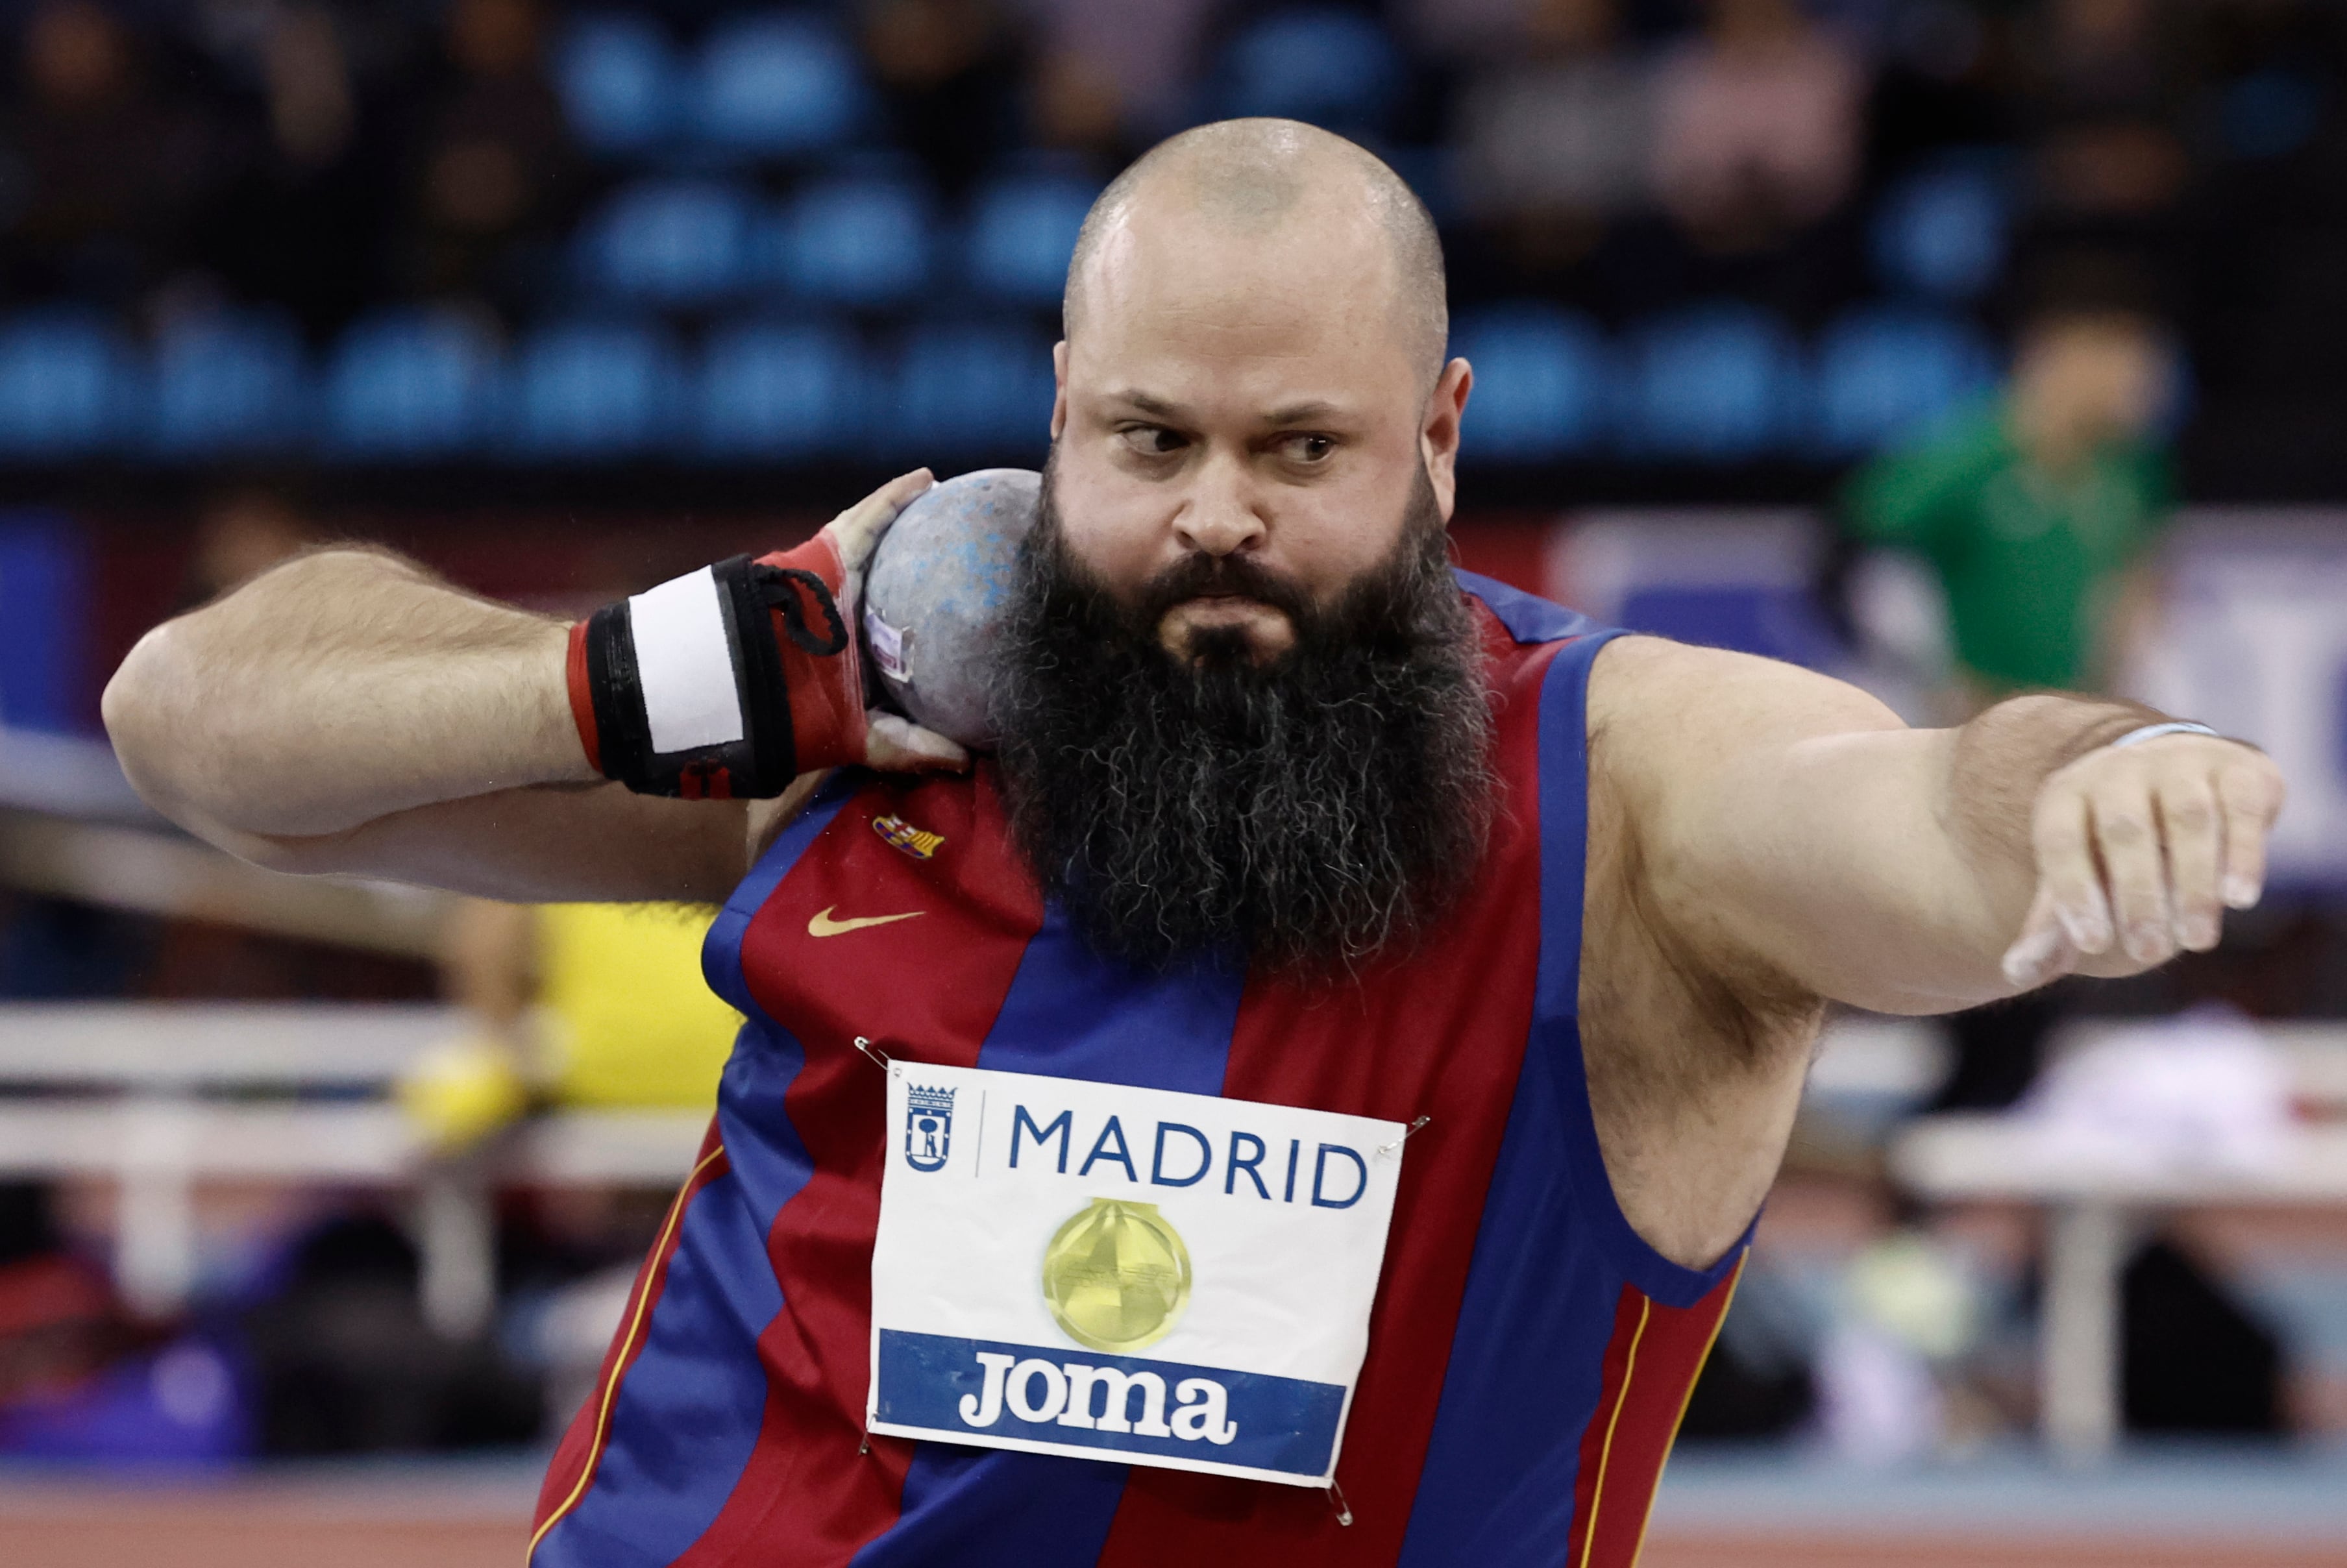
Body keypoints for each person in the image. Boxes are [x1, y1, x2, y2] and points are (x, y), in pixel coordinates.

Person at [101, 119, 2284, 1565]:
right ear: (1054, 411)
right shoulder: (873, 717)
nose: (1213, 511)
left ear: (1438, 444)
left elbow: (1915, 810)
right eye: (1147, 439)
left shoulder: (1630, 795)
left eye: (1299, 447)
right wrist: (668, 671)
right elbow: (191, 726)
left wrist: (2096, 769)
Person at [1848, 300, 2176, 715]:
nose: (2141, 385)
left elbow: (2137, 569)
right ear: (2062, 362)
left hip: (2075, 717)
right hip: (1972, 721)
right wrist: (1931, 677)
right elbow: (1861, 547)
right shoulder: (1971, 458)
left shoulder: (2130, 470)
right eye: (2122, 366)